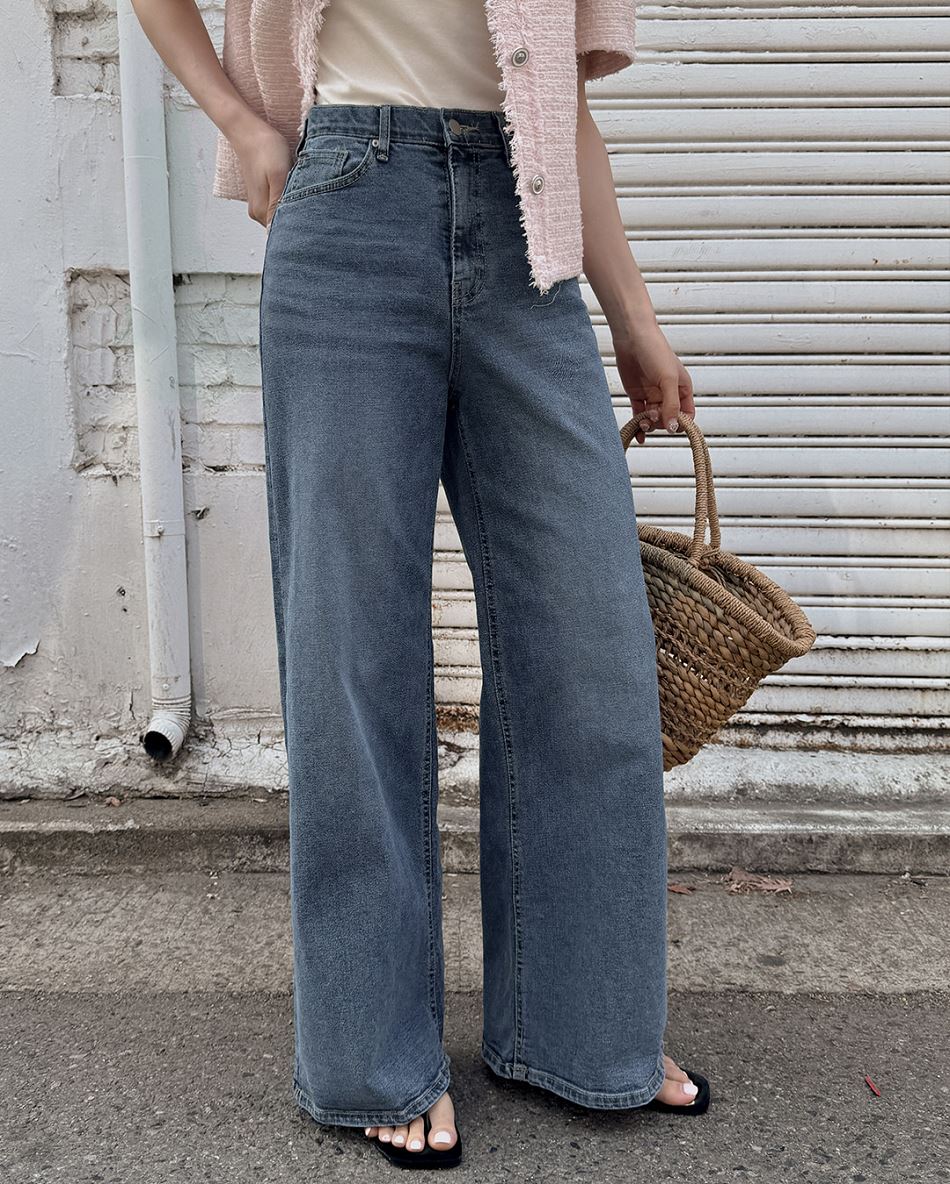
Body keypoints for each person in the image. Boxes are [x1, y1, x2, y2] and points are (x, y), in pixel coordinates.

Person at [131, 0, 710, 1168]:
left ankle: (584, 1022)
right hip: (347, 207)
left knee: (589, 650)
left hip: (526, 234)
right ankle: (371, 1052)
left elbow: (561, 103)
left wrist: (635, 319)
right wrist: (242, 125)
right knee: (350, 653)